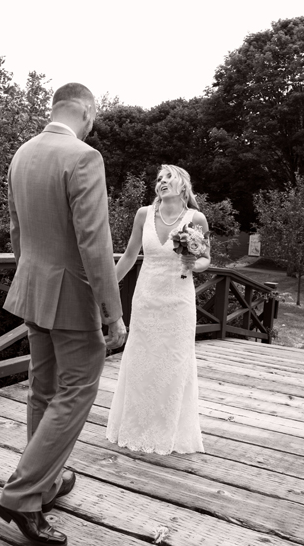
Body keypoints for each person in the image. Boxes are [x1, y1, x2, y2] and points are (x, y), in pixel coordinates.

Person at [0, 83, 127, 546]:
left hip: (32, 289)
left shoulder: (21, 155)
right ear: (87, 112)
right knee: (76, 390)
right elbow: (95, 242)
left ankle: (46, 483)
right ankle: (22, 495)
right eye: (95, 118)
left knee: (43, 389)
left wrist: (31, 277)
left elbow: (16, 230)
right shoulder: (84, 157)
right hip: (71, 295)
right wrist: (112, 312)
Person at [106, 164, 209, 454]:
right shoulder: (143, 214)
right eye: (159, 179)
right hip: (147, 299)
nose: (162, 182)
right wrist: (106, 289)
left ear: (183, 186)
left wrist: (193, 262)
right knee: (142, 361)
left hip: (179, 303)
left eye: (168, 178)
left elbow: (206, 259)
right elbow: (129, 256)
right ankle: (135, 427)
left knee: (174, 364)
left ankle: (168, 431)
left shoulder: (195, 218)